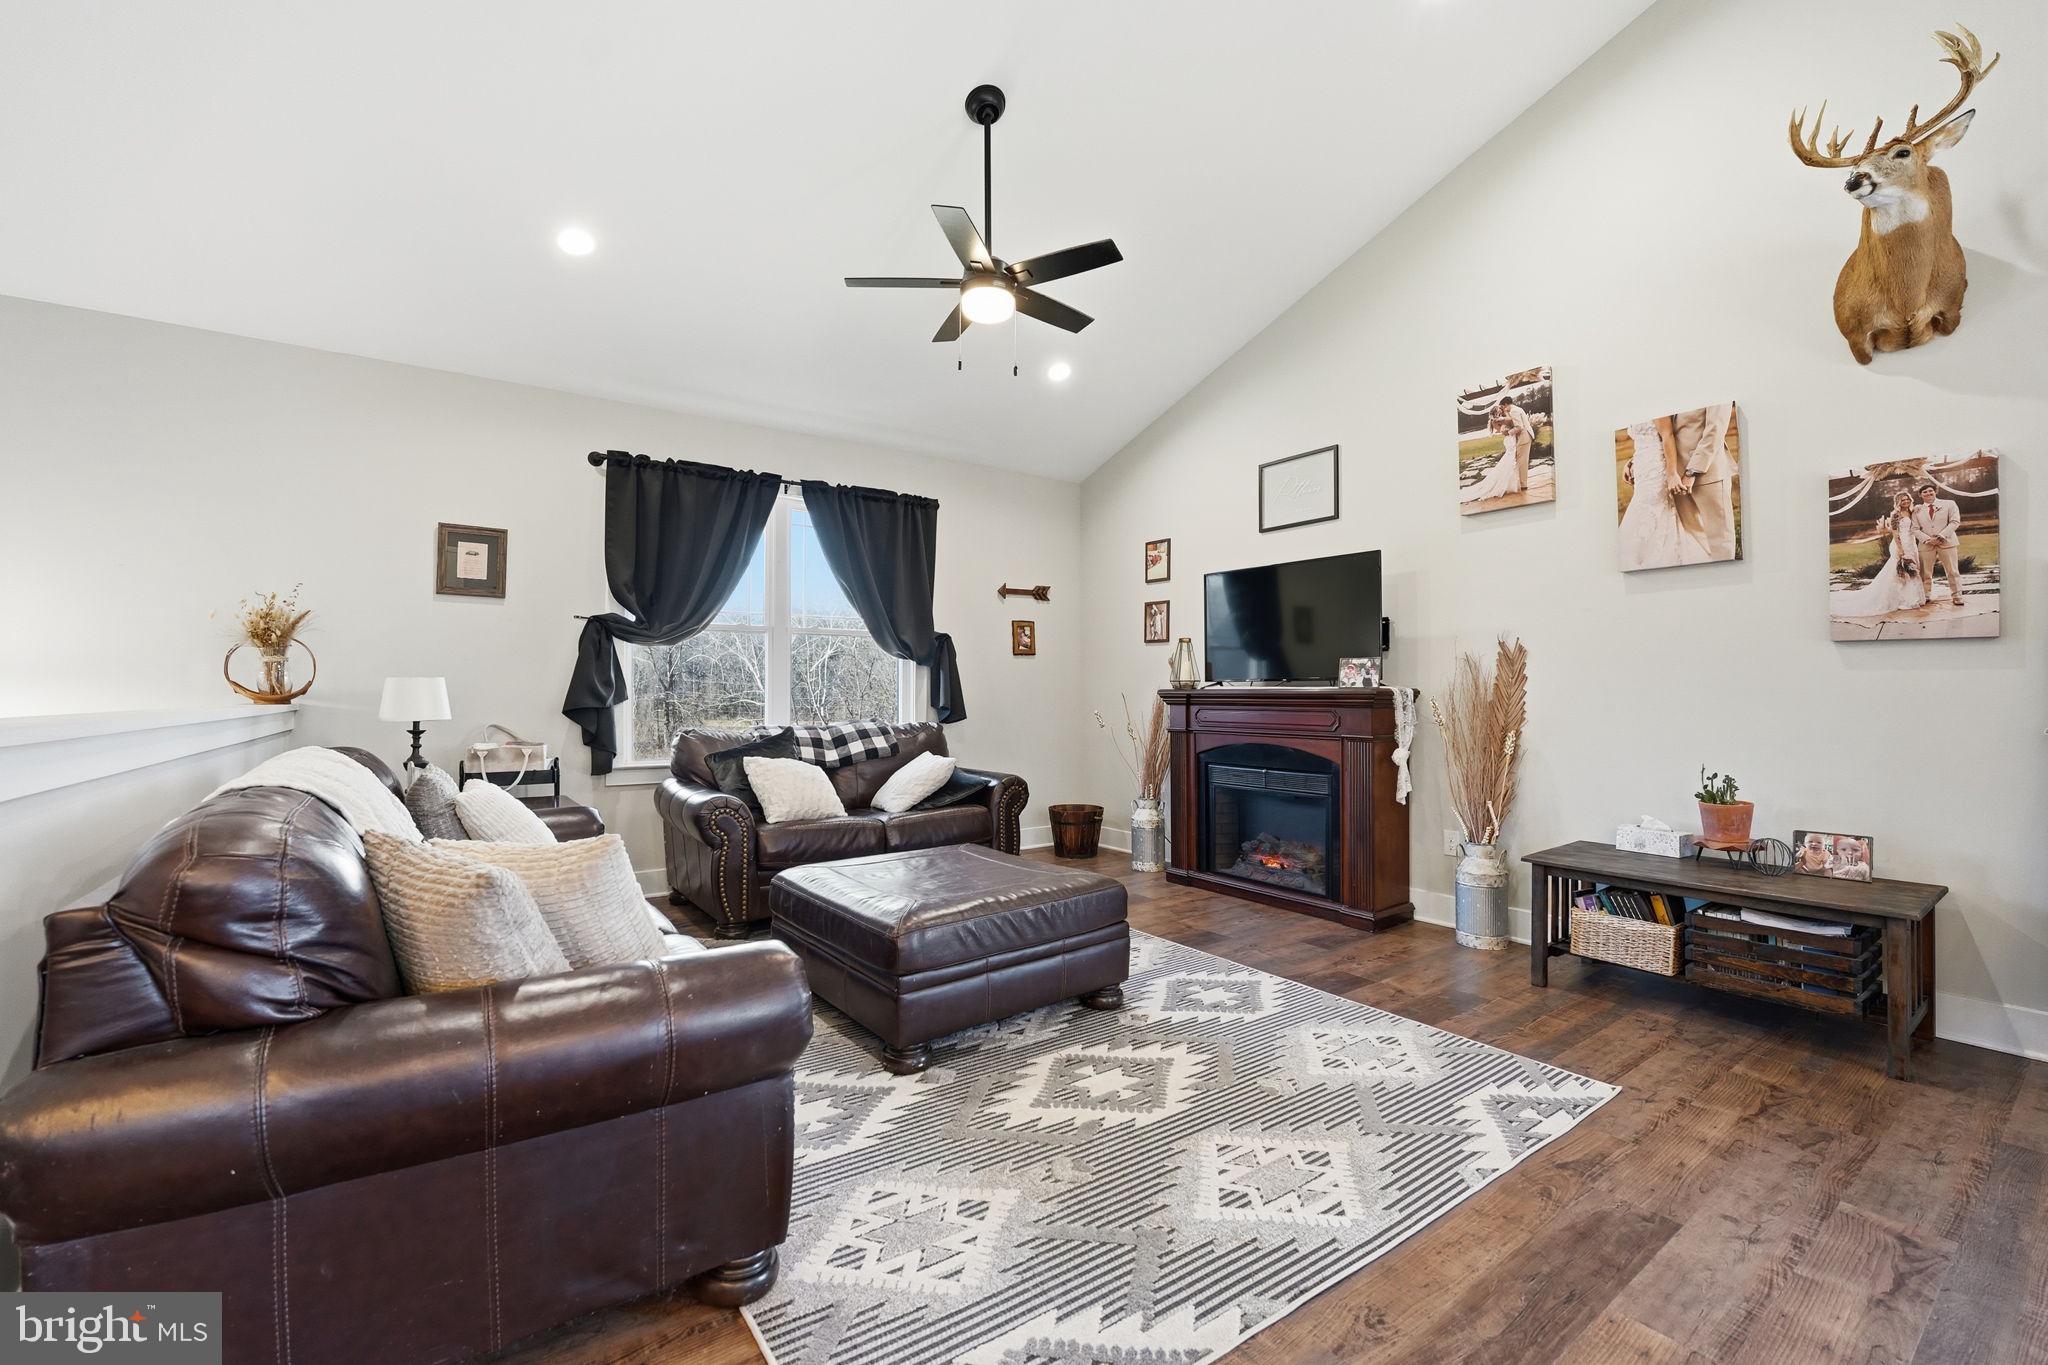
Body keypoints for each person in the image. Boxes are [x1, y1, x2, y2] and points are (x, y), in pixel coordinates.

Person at [1618, 417, 1709, 570]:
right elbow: (1644, 441)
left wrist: (1672, 474)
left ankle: (1659, 558)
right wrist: (1631, 462)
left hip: (1656, 467)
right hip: (1642, 467)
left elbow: (1667, 435)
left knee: (1654, 509)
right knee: (1648, 511)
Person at [1832, 491, 1927, 618]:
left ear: (1910, 500)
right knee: (1900, 571)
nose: (1905, 501)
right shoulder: (1895, 514)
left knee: (1914, 569)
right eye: (1902, 500)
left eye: (1907, 499)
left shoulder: (1911, 512)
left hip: (1912, 544)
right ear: (1898, 502)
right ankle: (1904, 599)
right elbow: (1895, 534)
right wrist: (1900, 550)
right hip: (1901, 545)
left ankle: (1916, 596)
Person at [1669, 403, 1738, 561]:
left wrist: (1692, 471)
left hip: (1708, 473)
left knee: (1720, 540)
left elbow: (1715, 430)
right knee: (1695, 542)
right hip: (1676, 478)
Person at [1459, 400, 1535, 505]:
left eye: (1502, 407)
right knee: (1513, 462)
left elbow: (1513, 425)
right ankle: (1517, 484)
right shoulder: (1500, 419)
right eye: (1500, 408)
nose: (1502, 409)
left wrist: (1506, 423)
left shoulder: (1504, 417)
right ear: (1497, 411)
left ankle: (1515, 483)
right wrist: (1506, 422)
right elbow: (1509, 426)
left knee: (1512, 463)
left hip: (1513, 440)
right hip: (1510, 440)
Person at [1911, 482, 1965, 607]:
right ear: (1920, 495)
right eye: (1924, 492)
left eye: (1930, 490)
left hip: (1947, 542)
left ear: (1935, 491)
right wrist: (1928, 539)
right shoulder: (1917, 510)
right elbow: (1914, 529)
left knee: (1952, 571)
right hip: (1926, 545)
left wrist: (1941, 536)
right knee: (1925, 573)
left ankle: (1957, 595)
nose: (1928, 493)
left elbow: (1955, 521)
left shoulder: (1949, 504)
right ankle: (1925, 595)